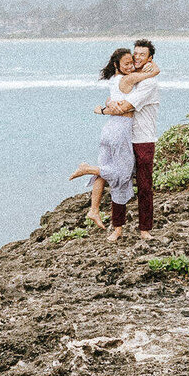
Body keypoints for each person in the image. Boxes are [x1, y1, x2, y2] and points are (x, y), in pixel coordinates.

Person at [69, 47, 138, 228]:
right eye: (127, 63)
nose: (131, 66)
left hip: (108, 129)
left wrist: (103, 108)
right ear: (117, 65)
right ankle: (87, 168)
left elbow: (111, 101)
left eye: (132, 62)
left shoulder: (114, 81)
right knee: (122, 174)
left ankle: (94, 210)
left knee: (104, 170)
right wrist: (150, 66)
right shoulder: (128, 79)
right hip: (120, 131)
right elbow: (152, 74)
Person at [119, 38, 160, 239]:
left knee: (144, 185)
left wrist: (103, 109)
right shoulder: (134, 77)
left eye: (142, 55)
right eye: (135, 54)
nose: (137, 57)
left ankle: (145, 229)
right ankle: (117, 227)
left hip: (144, 138)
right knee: (120, 180)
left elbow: (126, 105)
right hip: (126, 136)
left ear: (150, 58)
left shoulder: (149, 83)